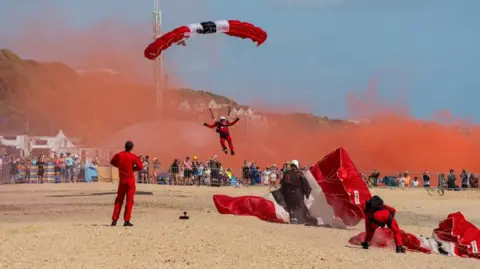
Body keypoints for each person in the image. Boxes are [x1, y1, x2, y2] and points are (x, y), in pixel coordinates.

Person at [110, 140, 143, 227]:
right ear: (132, 148)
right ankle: (126, 220)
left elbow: (112, 162)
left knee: (119, 200)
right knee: (129, 201)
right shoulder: (133, 156)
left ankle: (114, 220)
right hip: (130, 181)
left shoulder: (118, 155)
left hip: (122, 181)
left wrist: (120, 167)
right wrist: (133, 169)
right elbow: (140, 166)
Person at [280, 160, 317, 226]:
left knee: (290, 206)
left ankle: (292, 218)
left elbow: (282, 184)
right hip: (298, 194)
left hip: (288, 194)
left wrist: (283, 194)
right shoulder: (299, 173)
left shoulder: (286, 173)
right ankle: (308, 220)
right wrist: (307, 192)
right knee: (302, 207)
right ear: (297, 165)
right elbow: (306, 184)